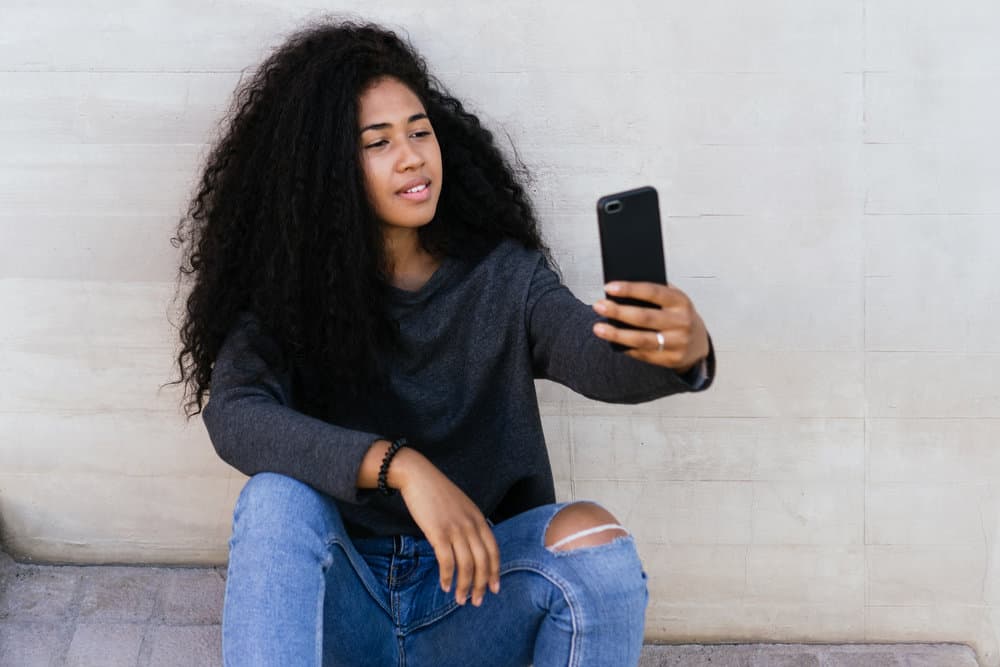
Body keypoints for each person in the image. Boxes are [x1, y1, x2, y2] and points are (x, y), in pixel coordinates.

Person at [170, 17, 715, 667]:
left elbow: (591, 354)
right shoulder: (287, 294)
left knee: (596, 544)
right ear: (323, 170)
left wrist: (681, 349)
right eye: (378, 142)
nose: (411, 156)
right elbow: (236, 416)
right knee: (273, 500)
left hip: (471, 599)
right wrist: (401, 465)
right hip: (347, 603)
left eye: (420, 132)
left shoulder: (503, 274)